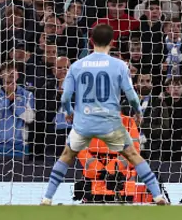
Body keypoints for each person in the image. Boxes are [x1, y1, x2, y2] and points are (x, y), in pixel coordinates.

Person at [41, 24, 168, 205]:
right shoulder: (119, 65)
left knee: (66, 156)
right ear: (112, 42)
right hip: (110, 123)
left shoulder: (77, 66)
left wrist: (69, 113)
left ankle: (47, 198)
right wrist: (138, 112)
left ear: (91, 41)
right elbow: (131, 95)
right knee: (133, 155)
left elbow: (65, 97)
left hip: (84, 123)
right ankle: (157, 196)